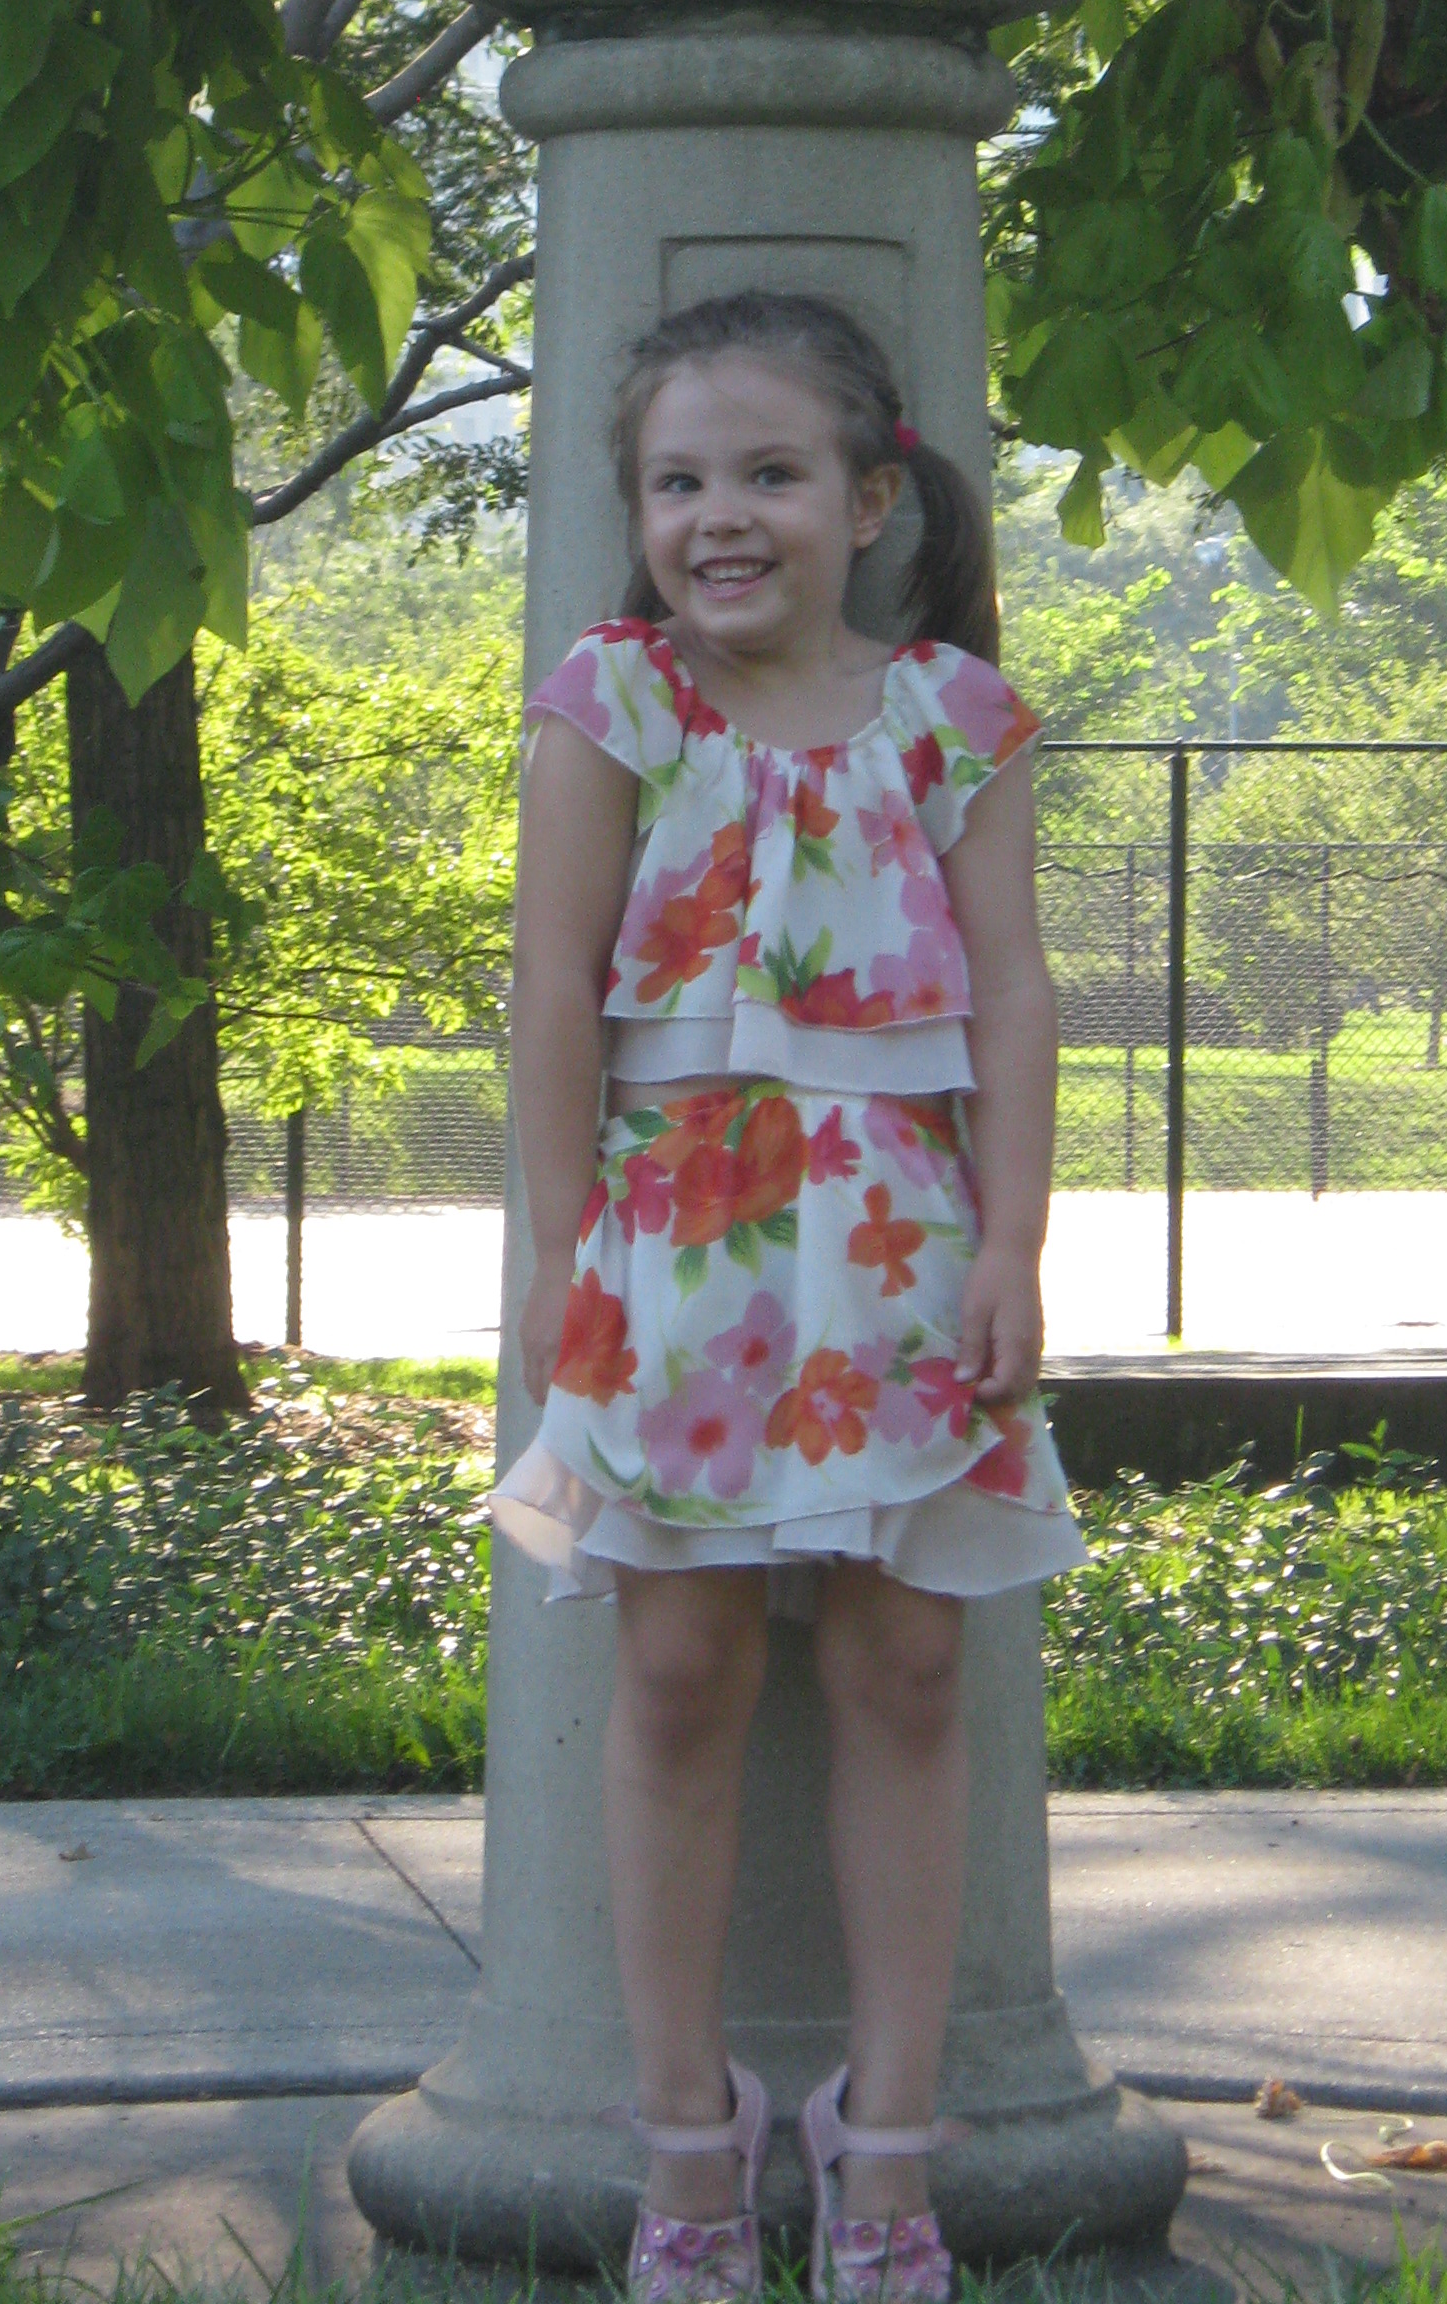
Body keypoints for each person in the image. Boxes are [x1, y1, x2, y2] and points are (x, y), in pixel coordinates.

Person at [488, 290, 1082, 2304]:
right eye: (678, 482)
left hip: (906, 1243)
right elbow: (549, 989)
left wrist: (1012, 1246)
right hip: (673, 1246)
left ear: (869, 498)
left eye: (768, 473)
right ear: (637, 514)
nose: (719, 516)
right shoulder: (614, 703)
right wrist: (561, 1253)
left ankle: (884, 2144)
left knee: (908, 1671)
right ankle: (689, 2135)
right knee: (677, 1671)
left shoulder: (955, 718)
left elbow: (1015, 993)